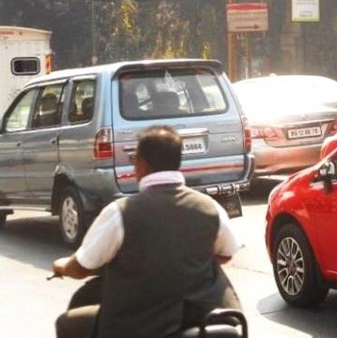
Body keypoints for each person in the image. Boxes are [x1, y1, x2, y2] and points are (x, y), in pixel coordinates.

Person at [52, 126, 242, 338]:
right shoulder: (210, 207)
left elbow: (83, 267)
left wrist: (62, 266)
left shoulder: (120, 213)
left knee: (66, 324)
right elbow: (227, 253)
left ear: (141, 164)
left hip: (138, 326)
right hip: (198, 317)